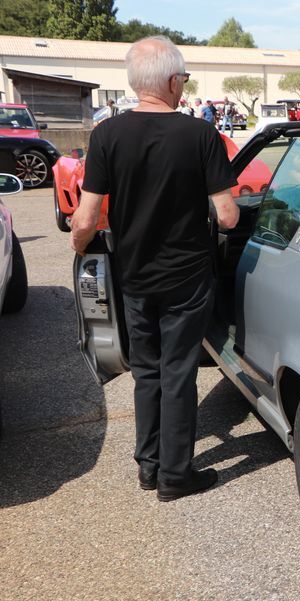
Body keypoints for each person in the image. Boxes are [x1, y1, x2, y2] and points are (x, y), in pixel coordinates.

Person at [69, 36, 239, 501]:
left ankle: (148, 466)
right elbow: (226, 217)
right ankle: (176, 476)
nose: (183, 86)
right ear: (170, 80)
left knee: (147, 371)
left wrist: (80, 247)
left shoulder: (106, 135)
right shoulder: (201, 135)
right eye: (183, 78)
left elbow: (85, 218)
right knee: (178, 371)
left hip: (135, 276)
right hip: (187, 277)